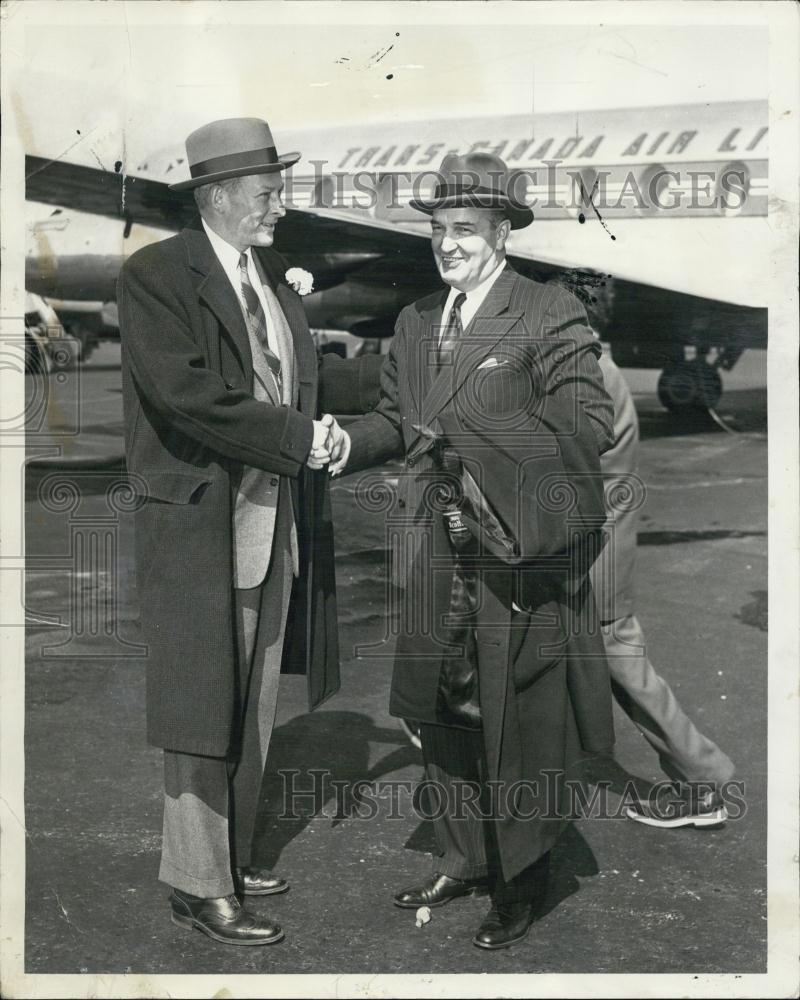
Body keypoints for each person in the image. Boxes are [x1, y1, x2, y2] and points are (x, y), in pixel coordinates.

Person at [325, 152, 616, 949]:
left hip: (510, 549)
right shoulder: (417, 322)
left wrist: (477, 449)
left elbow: (582, 429)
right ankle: (464, 854)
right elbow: (395, 420)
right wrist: (342, 445)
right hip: (432, 547)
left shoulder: (548, 312)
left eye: (464, 231)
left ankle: (522, 875)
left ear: (501, 234)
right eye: (438, 232)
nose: (447, 246)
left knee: (514, 715)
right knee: (441, 710)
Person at [117, 117, 378, 946]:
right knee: (204, 706)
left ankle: (226, 856)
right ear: (219, 195)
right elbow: (187, 396)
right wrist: (302, 440)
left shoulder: (265, 280)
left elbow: (299, 381)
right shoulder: (157, 276)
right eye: (268, 194)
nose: (280, 209)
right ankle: (199, 885)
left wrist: (403, 385)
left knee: (256, 706)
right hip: (205, 528)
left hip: (276, 529)